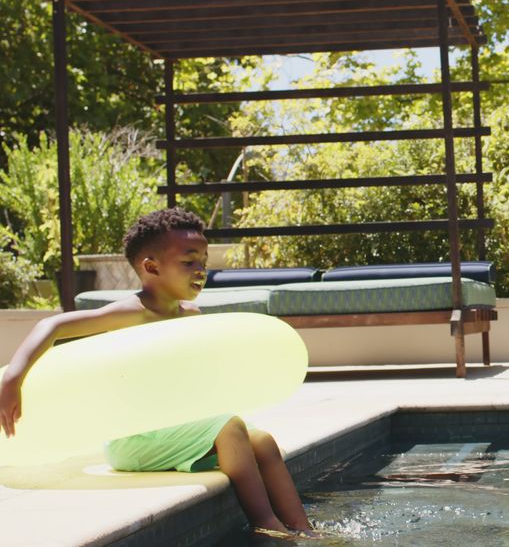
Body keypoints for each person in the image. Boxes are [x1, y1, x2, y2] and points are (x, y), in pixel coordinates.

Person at [0, 207, 315, 537]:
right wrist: (13, 377)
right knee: (230, 425)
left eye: (204, 262)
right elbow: (51, 325)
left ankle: (304, 530)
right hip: (135, 439)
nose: (201, 270)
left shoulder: (190, 313)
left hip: (174, 426)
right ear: (151, 267)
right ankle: (269, 528)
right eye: (189, 262)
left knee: (263, 442)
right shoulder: (131, 313)